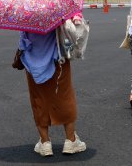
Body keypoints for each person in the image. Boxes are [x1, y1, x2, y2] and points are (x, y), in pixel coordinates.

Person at [19, 14, 87, 157]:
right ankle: (70, 140)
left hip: (32, 63)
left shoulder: (25, 12)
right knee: (65, 98)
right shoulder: (57, 8)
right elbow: (72, 25)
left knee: (38, 101)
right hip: (57, 60)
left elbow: (23, 42)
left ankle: (45, 143)